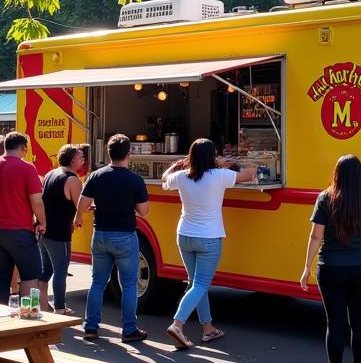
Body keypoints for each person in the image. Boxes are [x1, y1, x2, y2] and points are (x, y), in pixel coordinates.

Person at [299, 154, 361, 363]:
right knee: (360, 322)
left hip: (331, 268)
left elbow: (316, 236)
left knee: (335, 323)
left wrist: (307, 267)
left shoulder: (325, 198)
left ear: (337, 174)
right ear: (360, 176)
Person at [161, 139, 255, 349]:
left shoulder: (182, 177)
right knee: (201, 284)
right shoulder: (219, 176)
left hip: (184, 235)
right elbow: (249, 176)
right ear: (212, 156)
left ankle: (208, 329)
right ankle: (177, 324)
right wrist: (226, 163)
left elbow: (164, 179)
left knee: (195, 283)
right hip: (209, 238)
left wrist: (179, 163)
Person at [78, 134, 150, 342]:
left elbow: (82, 206)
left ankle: (91, 326)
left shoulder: (95, 176)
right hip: (125, 235)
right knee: (128, 284)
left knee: (98, 282)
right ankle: (129, 329)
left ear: (108, 153)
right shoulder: (135, 180)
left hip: (100, 233)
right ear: (129, 154)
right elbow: (144, 211)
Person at [0, 131, 45, 306]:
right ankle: (29, 316)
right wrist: (43, 221)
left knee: (1, 278)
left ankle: (0, 320)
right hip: (20, 230)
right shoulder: (27, 167)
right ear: (24, 148)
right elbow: (36, 200)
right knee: (30, 276)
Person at [39, 144, 84, 316]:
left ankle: (44, 305)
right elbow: (81, 204)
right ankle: (60, 307)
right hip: (59, 232)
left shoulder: (51, 173)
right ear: (72, 160)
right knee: (60, 270)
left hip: (45, 229)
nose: (83, 160)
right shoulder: (72, 179)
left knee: (46, 269)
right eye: (80, 157)